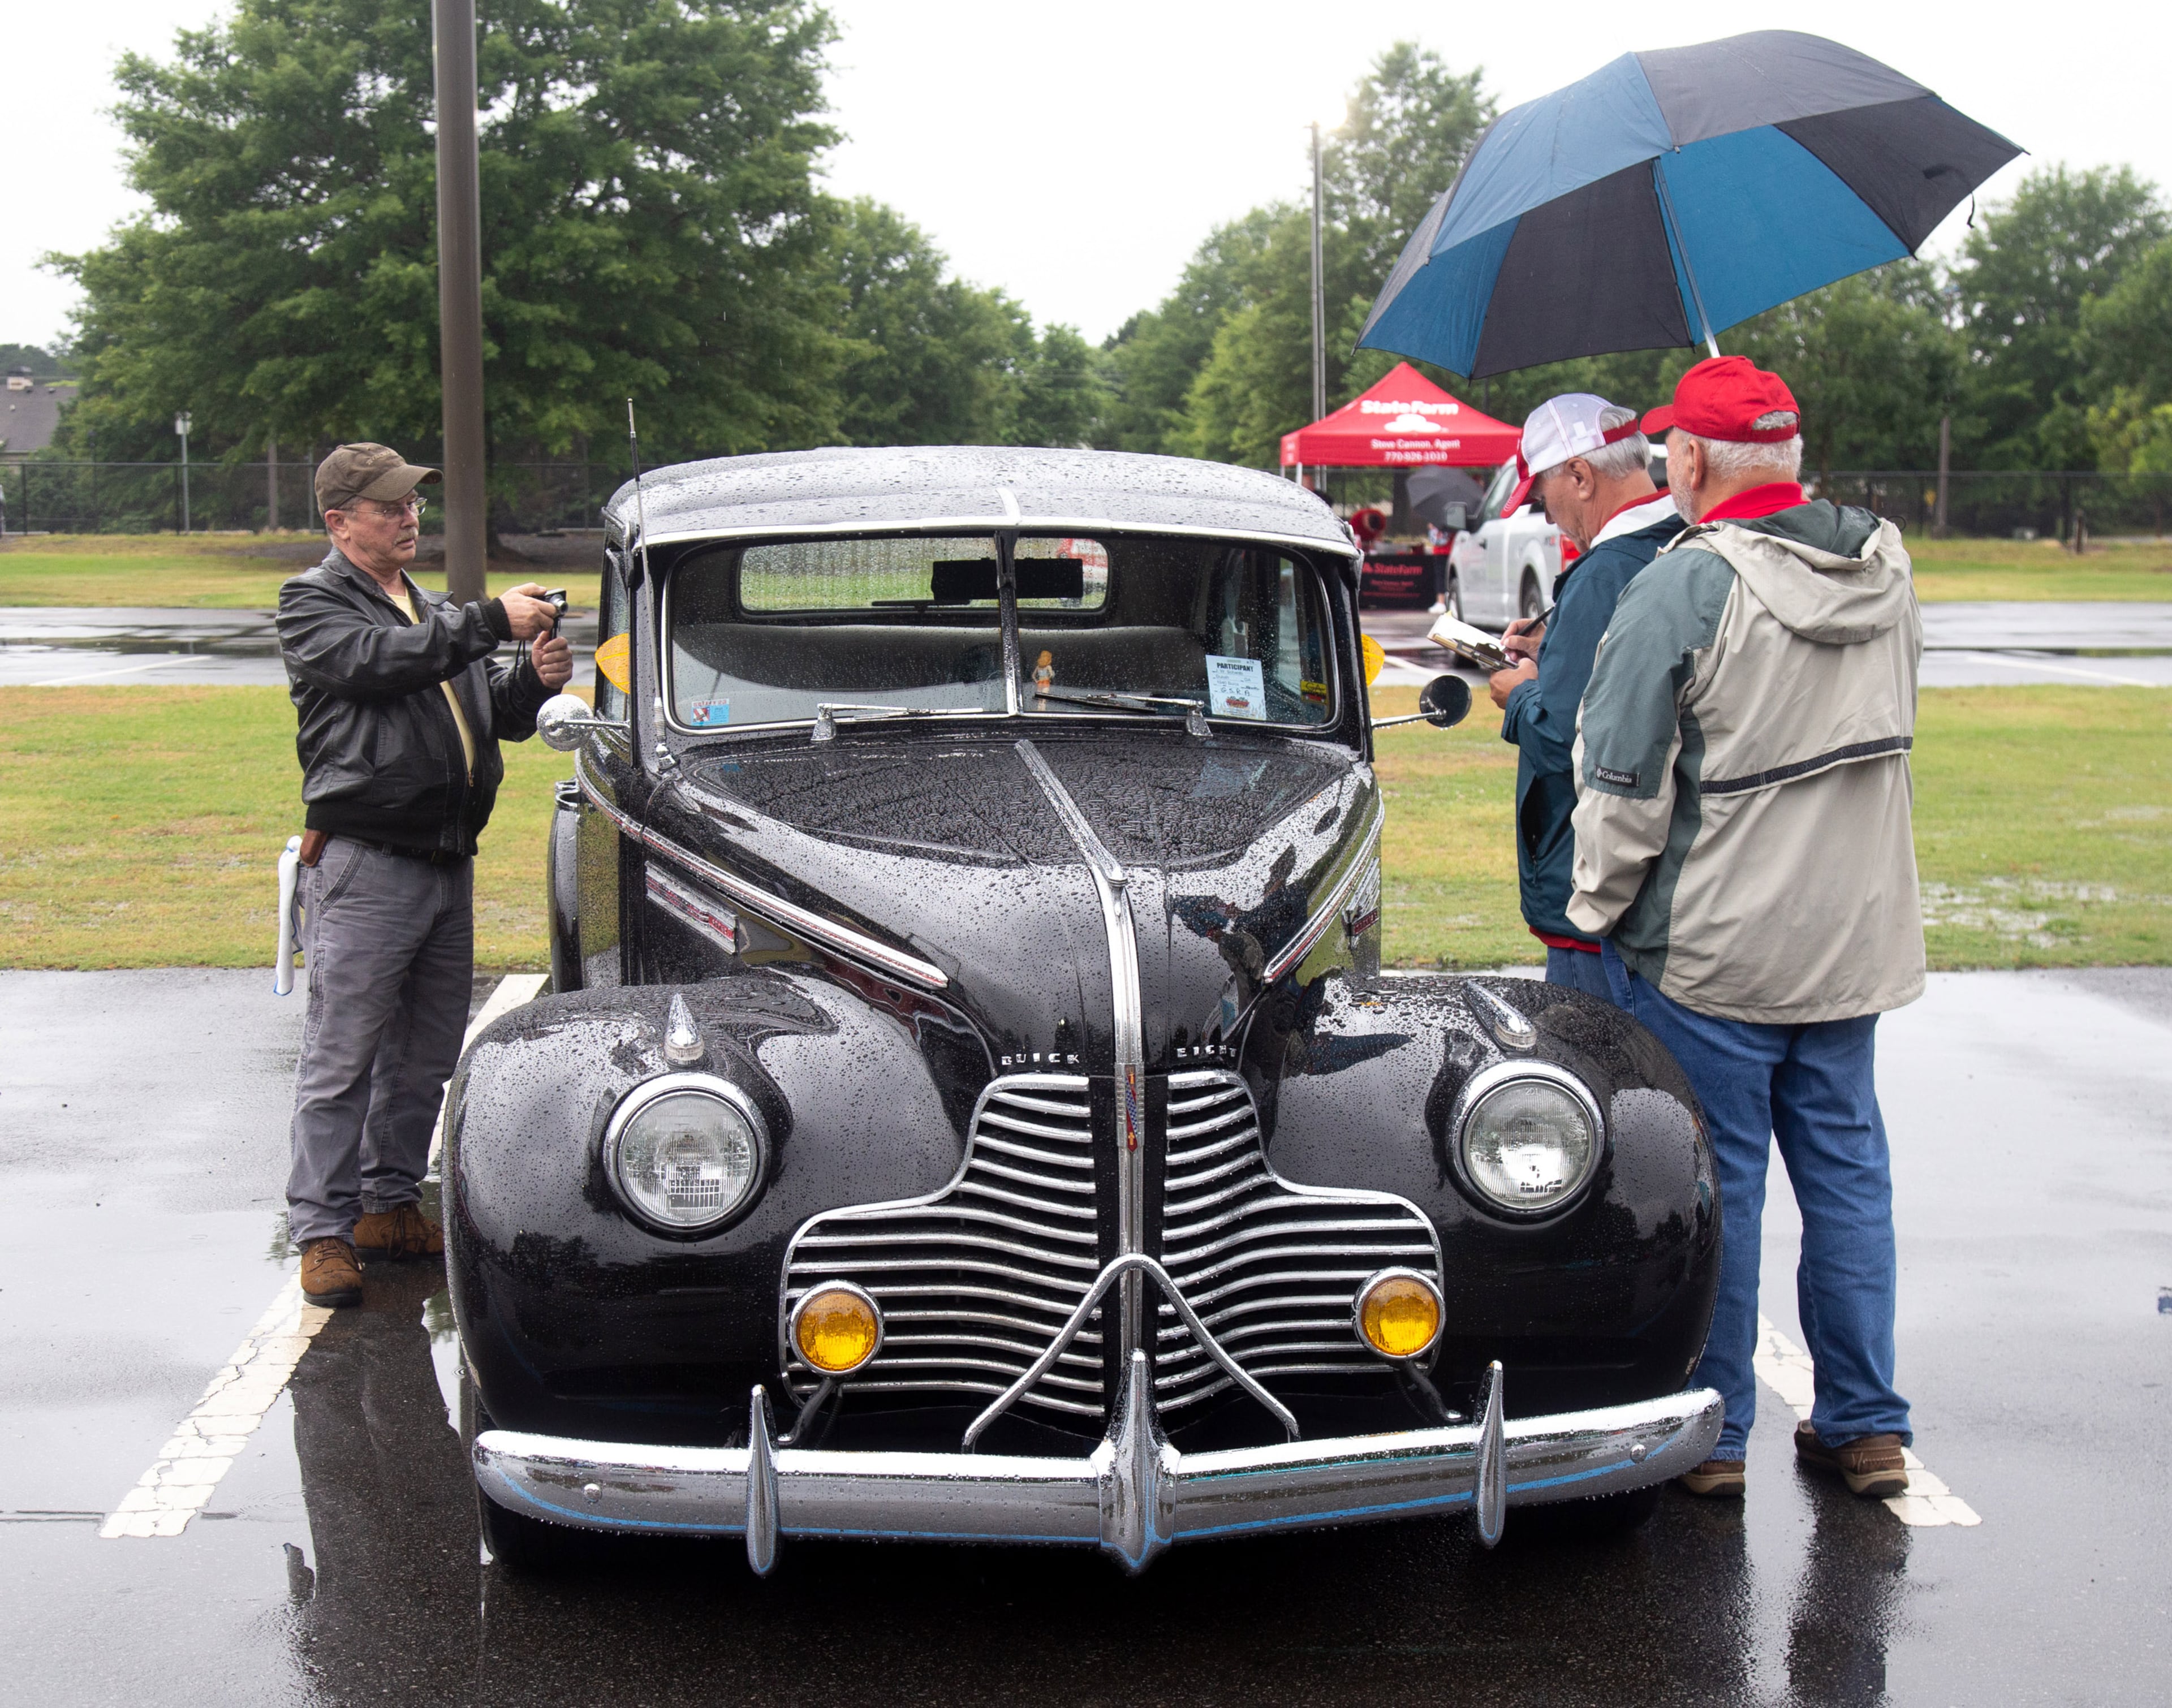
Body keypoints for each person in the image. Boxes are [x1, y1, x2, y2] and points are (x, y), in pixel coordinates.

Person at [1567, 357, 1924, 1501]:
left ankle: (1715, 1435)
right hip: (1855, 934)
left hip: (1720, 945)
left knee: (1722, 1184)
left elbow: (1620, 782)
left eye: (1674, 448)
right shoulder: (1886, 558)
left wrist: (1595, 911)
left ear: (1692, 461)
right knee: (1849, 1172)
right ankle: (1866, 1419)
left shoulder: (1685, 582)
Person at [277, 443, 574, 1308]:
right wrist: (487, 623)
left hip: (447, 861)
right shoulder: (315, 602)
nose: (411, 516)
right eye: (390, 506)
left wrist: (529, 680)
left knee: (423, 1056)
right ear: (340, 523)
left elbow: (489, 711)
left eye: (413, 503)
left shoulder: (428, 607)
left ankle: (389, 1204)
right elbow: (378, 664)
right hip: (366, 864)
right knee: (343, 1058)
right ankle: (323, 1233)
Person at [1486, 395, 1680, 999]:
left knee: (1595, 1068)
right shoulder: (1683, 539)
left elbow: (1563, 735)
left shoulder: (1606, 569)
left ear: (1580, 474)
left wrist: (1520, 693)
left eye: (1546, 495)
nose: (1548, 516)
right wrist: (1557, 649)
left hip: (1596, 882)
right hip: (1663, 875)